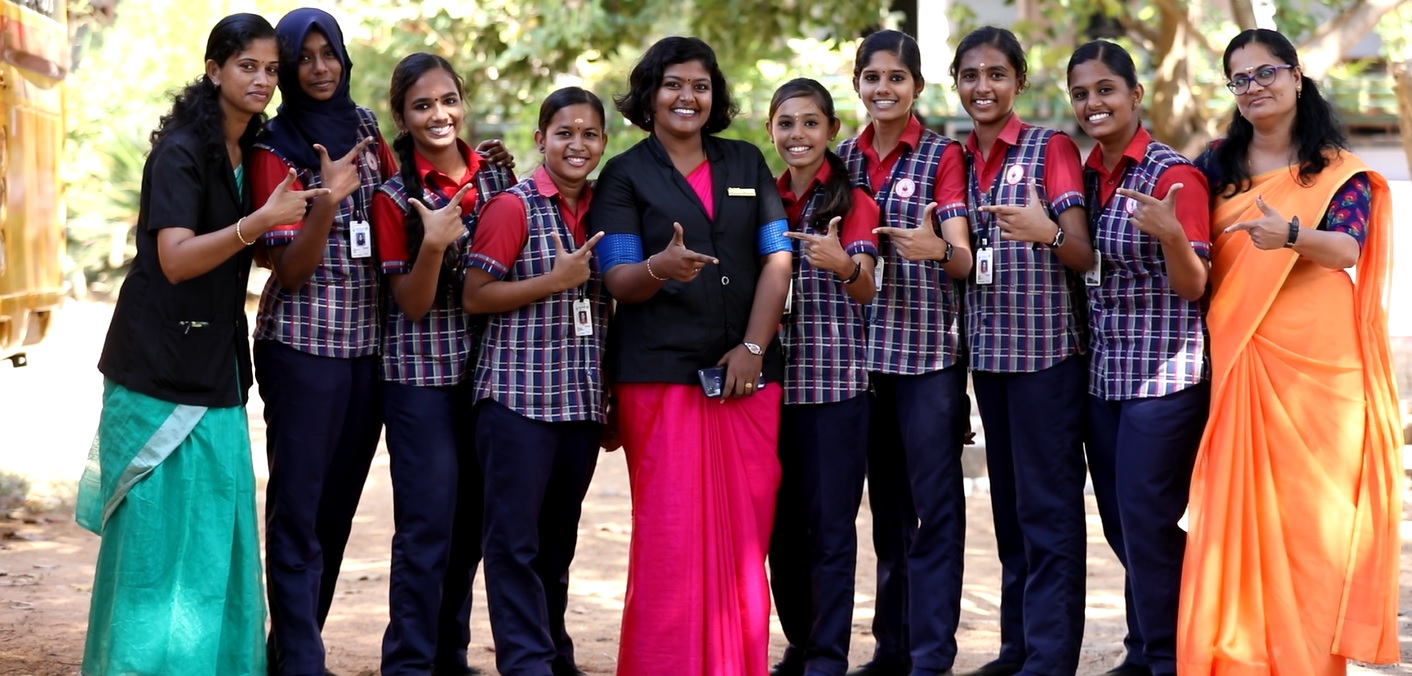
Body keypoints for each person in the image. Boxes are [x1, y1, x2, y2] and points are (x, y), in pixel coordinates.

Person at [76, 13, 326, 675]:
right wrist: (260, 220)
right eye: (248, 65)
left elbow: (265, 250)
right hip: (157, 367)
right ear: (214, 69)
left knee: (219, 530)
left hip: (216, 366)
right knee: (154, 540)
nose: (263, 80)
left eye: (272, 69)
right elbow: (179, 258)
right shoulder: (184, 148)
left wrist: (321, 208)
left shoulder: (257, 148)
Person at [1178, 28, 1401, 676]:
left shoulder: (1338, 170)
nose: (1254, 87)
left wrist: (1293, 232)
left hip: (1322, 379)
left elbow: (1347, 251)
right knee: (1236, 525)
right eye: (1239, 78)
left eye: (1266, 72)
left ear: (1297, 76)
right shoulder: (1213, 166)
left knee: (1315, 537)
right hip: (1241, 360)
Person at [588, 35, 792, 676]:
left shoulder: (747, 161)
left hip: (750, 376)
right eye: (674, 84)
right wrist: (659, 267)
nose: (688, 96)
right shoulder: (624, 173)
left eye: (700, 86)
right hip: (660, 377)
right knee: (671, 538)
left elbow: (778, 257)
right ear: (649, 94)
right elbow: (617, 279)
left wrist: (754, 348)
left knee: (743, 538)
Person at [248, 10, 392, 673]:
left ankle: (293, 648)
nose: (319, 68)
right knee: (297, 509)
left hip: (368, 351)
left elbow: (398, 208)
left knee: (335, 509)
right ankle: (303, 658)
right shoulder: (272, 146)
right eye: (302, 57)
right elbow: (289, 268)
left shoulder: (366, 130)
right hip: (302, 351)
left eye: (327, 52)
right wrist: (326, 201)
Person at [830, 29, 974, 676]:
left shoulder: (943, 155)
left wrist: (937, 250)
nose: (883, 89)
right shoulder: (841, 159)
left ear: (917, 85)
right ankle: (892, 649)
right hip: (860, 362)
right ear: (857, 84)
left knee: (936, 510)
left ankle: (930, 657)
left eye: (896, 78)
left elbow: (964, 257)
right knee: (886, 513)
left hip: (927, 360)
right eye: (872, 78)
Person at [1065, 39, 1211, 676]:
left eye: (1105, 90)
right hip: (1105, 373)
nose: (1092, 103)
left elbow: (1195, 286)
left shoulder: (1174, 174)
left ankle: (1167, 657)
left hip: (1166, 375)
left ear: (1135, 95)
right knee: (1123, 524)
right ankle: (1142, 647)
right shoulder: (1088, 172)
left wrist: (1174, 235)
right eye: (1081, 94)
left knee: (1150, 522)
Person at [368, 51, 515, 676]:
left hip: (491, 379)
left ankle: (449, 656)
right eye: (422, 105)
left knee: (472, 526)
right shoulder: (393, 194)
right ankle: (408, 662)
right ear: (401, 117)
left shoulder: (498, 182)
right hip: (420, 378)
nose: (439, 114)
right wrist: (432, 243)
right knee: (427, 525)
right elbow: (412, 303)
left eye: (447, 100)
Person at [953, 26, 1093, 676]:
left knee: (1049, 511)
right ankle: (1016, 650)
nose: (983, 87)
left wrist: (1046, 233)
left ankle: (1050, 657)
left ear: (1019, 81)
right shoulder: (959, 157)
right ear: (956, 83)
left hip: (1046, 361)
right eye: (971, 75)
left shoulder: (1049, 147)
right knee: (1010, 514)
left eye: (996, 75)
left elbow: (1083, 252)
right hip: (989, 360)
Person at [462, 86, 609, 676]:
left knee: (557, 544)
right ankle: (525, 662)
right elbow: (475, 295)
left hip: (578, 403)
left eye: (590, 134)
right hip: (516, 401)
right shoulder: (513, 207)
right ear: (539, 139)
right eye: (565, 133)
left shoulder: (606, 210)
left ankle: (554, 655)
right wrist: (552, 281)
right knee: (513, 543)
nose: (578, 144)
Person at [761, 78, 881, 676]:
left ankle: (829, 655)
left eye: (810, 123)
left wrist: (843, 265)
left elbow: (867, 286)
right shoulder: (762, 197)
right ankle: (801, 642)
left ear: (832, 130)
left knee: (831, 527)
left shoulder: (853, 201)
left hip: (836, 390)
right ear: (770, 131)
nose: (798, 135)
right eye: (786, 124)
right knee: (780, 529)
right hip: (771, 389)